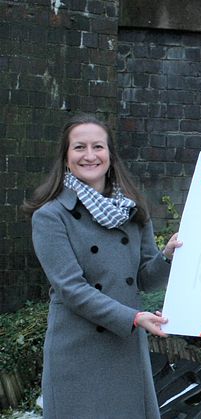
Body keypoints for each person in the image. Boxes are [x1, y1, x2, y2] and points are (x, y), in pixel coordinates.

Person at [22, 114, 182, 418]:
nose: (90, 155)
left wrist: (168, 256)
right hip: (78, 348)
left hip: (124, 346)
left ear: (110, 155)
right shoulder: (51, 216)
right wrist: (133, 318)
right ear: (66, 157)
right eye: (79, 147)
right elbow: (72, 289)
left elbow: (144, 279)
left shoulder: (133, 209)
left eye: (98, 146)